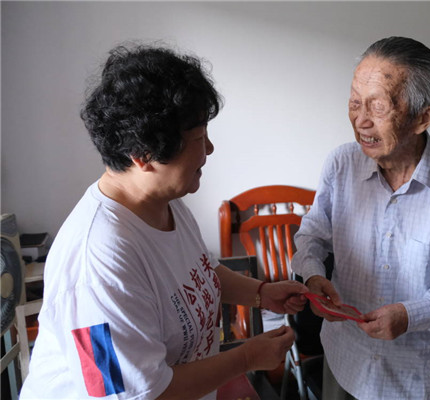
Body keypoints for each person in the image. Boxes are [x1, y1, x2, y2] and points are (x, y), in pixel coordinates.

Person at [20, 44, 308, 400]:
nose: (209, 149)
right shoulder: (96, 265)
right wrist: (247, 357)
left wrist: (261, 294)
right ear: (143, 155)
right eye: (199, 138)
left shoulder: (165, 204)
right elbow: (137, 396)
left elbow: (200, 272)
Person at [292, 36, 430, 399]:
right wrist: (312, 274)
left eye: (379, 106)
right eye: (355, 102)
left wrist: (411, 315)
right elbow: (313, 233)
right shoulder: (341, 164)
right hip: (343, 354)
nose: (361, 121)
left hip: (410, 373)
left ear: (423, 118)